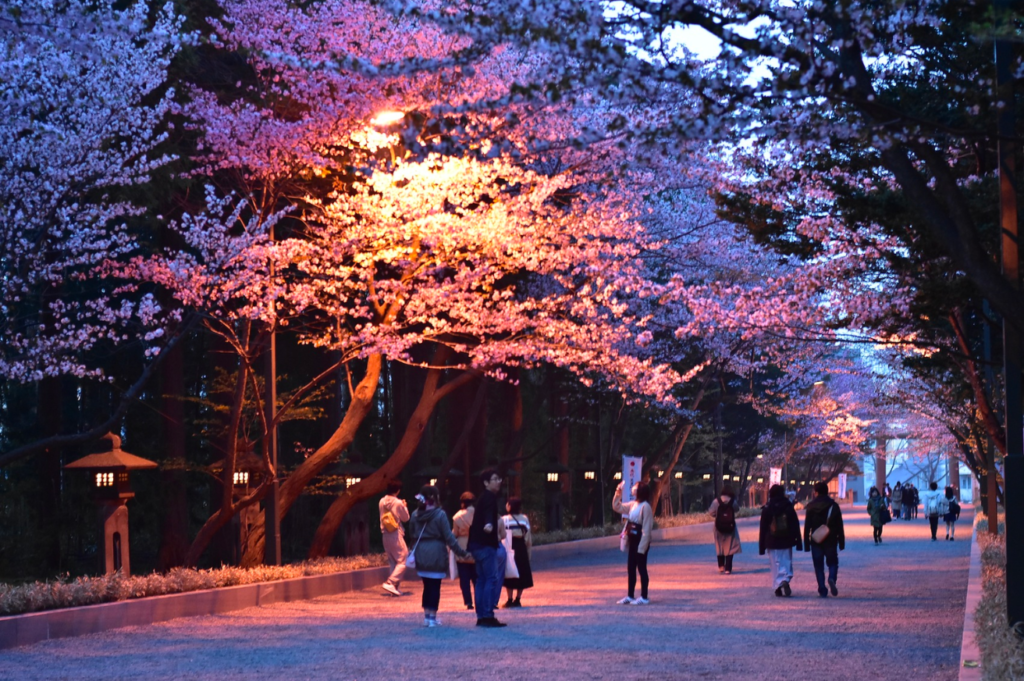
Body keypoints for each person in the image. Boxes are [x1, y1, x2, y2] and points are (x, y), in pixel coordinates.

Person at [408, 485, 471, 627]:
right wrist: (462, 553)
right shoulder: (440, 514)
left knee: (426, 586)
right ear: (435, 498)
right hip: (436, 551)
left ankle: (426, 617)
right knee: (435, 586)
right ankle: (432, 618)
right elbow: (449, 537)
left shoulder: (415, 515)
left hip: (421, 552)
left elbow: (412, 533)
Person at [468, 467, 508, 628]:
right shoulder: (489, 498)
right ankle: (487, 615)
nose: (499, 482)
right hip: (485, 545)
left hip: (476, 544)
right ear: (486, 483)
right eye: (495, 479)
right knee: (490, 578)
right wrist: (489, 524)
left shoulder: (482, 498)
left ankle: (481, 616)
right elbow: (488, 514)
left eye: (499, 479)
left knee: (481, 580)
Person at [612, 480, 655, 604]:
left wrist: (642, 547)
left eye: (636, 487)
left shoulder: (646, 507)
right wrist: (618, 491)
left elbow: (647, 528)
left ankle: (644, 596)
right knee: (631, 568)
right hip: (632, 539)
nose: (633, 488)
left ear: (641, 490)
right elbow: (617, 506)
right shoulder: (633, 504)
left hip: (641, 540)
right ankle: (630, 595)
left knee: (642, 568)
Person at [758, 484, 801, 597]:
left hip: (771, 540)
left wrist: (762, 546)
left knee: (775, 563)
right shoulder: (788, 506)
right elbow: (795, 524)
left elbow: (763, 528)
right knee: (786, 561)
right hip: (787, 539)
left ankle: (777, 586)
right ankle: (785, 579)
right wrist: (798, 541)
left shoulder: (767, 508)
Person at [803, 481, 845, 598]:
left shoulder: (811, 506)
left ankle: (822, 588)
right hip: (831, 539)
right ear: (827, 492)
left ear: (816, 492)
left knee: (818, 565)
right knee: (832, 562)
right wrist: (841, 541)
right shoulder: (834, 506)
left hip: (816, 540)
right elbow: (839, 525)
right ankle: (831, 578)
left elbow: (807, 526)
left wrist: (806, 543)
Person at [379, 480, 411, 597]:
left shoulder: (381, 501)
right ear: (397, 490)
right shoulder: (398, 503)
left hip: (385, 534)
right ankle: (390, 582)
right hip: (395, 534)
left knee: (393, 560)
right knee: (403, 559)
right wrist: (405, 507)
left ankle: (394, 588)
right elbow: (406, 518)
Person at [501, 497, 534, 607]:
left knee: (509, 571)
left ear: (509, 506)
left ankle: (509, 599)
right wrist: (528, 551)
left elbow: (501, 534)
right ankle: (518, 599)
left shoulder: (504, 519)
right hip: (521, 546)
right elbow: (528, 537)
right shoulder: (524, 518)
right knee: (521, 572)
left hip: (509, 545)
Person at [709, 485, 742, 574]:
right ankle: (728, 568)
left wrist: (719, 516)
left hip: (718, 527)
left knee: (719, 545)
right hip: (730, 526)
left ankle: (721, 566)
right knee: (730, 547)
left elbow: (711, 512)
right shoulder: (733, 501)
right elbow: (737, 509)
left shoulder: (716, 501)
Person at [452, 491, 477, 610]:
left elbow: (455, 534)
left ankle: (468, 602)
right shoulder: (479, 514)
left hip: (462, 546)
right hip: (476, 544)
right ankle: (479, 599)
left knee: (464, 578)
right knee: (477, 577)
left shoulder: (457, 516)